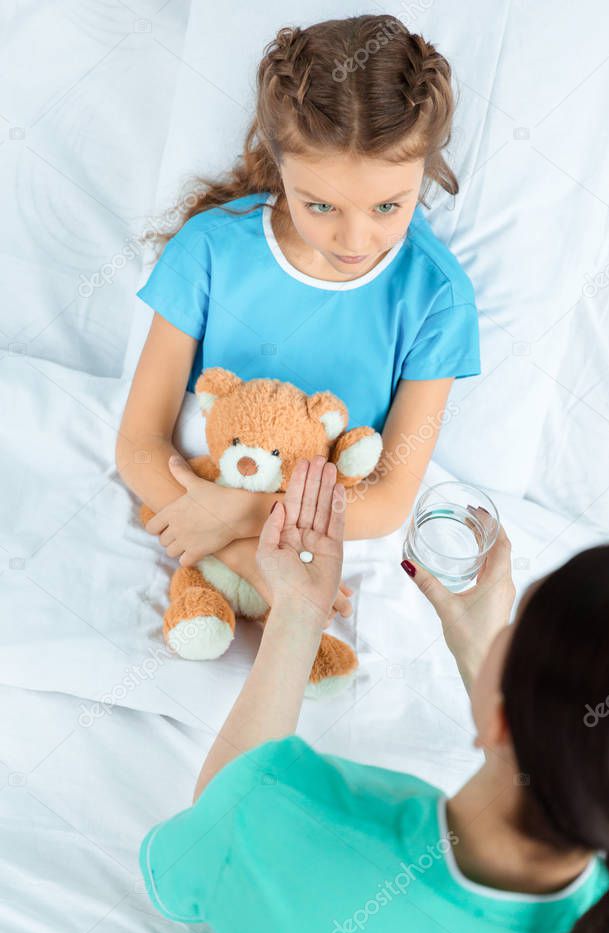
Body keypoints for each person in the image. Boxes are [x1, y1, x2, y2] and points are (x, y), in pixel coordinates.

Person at [139, 456, 609, 933]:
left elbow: (213, 835)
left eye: (514, 626)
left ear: (500, 718)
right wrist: (493, 678)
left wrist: (298, 612)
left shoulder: (286, 815)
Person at [115, 15, 480, 616]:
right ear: (279, 163)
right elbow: (139, 443)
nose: (356, 237)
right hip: (206, 500)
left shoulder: (436, 296)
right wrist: (243, 559)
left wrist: (248, 514)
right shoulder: (209, 249)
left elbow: (389, 499)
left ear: (425, 173)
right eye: (321, 204)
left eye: (389, 205)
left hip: (324, 529)